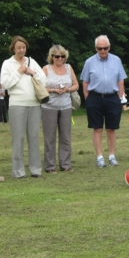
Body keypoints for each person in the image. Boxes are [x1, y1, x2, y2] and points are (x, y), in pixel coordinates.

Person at [0, 35, 46, 178]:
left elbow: (44, 80)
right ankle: (18, 172)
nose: (21, 50)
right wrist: (19, 71)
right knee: (18, 138)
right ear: (13, 48)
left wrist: (32, 73)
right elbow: (5, 84)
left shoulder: (31, 61)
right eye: (19, 47)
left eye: (24, 47)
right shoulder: (7, 64)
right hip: (17, 105)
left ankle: (35, 170)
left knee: (33, 137)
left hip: (34, 104)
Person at [80, 35, 127, 168]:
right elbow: (85, 82)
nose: (103, 51)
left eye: (105, 48)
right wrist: (87, 99)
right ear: (96, 48)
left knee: (111, 129)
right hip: (94, 97)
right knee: (98, 128)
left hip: (113, 97)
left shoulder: (116, 60)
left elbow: (121, 79)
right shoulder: (89, 62)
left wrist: (119, 96)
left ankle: (112, 156)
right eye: (100, 48)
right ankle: (99, 157)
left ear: (109, 47)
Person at [42, 45, 79, 174]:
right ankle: (50, 166)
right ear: (52, 57)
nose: (60, 58)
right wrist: (53, 90)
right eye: (57, 56)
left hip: (66, 106)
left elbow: (76, 85)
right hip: (48, 107)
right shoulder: (46, 69)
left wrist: (67, 89)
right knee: (49, 137)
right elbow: (39, 87)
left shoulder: (69, 68)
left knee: (66, 137)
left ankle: (65, 164)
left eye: (62, 56)